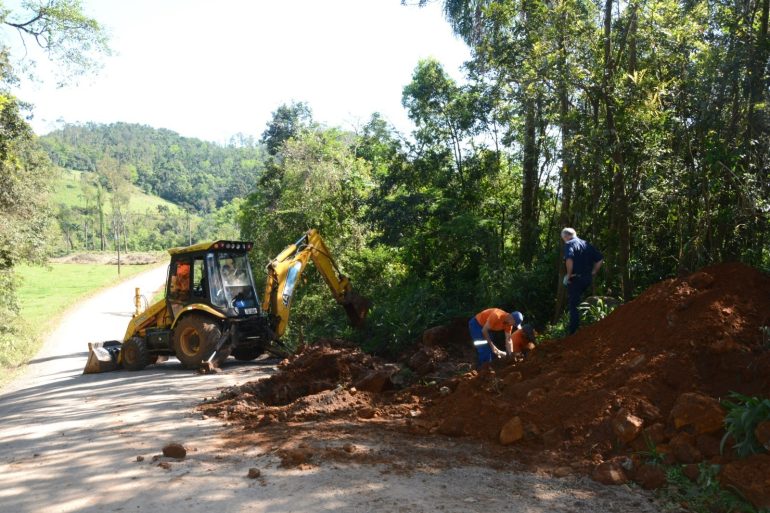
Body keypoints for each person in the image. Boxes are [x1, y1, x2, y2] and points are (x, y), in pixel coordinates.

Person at [561, 227, 604, 334]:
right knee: (577, 301)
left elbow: (569, 259)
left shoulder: (569, 244)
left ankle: (573, 332)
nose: (564, 241)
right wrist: (593, 272)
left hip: (576, 278)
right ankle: (582, 328)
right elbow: (600, 259)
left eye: (563, 239)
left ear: (566, 236)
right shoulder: (586, 244)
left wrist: (569, 275)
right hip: (587, 279)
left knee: (573, 305)